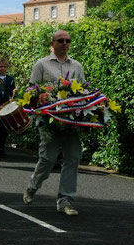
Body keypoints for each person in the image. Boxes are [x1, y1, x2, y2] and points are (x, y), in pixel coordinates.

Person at [22, 30, 86, 216]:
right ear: (53, 43)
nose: (65, 43)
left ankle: (65, 201)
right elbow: (29, 91)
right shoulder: (41, 64)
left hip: (71, 121)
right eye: (61, 40)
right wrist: (38, 95)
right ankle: (33, 186)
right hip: (48, 121)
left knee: (73, 158)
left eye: (68, 40)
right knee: (48, 159)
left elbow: (83, 90)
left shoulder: (76, 66)